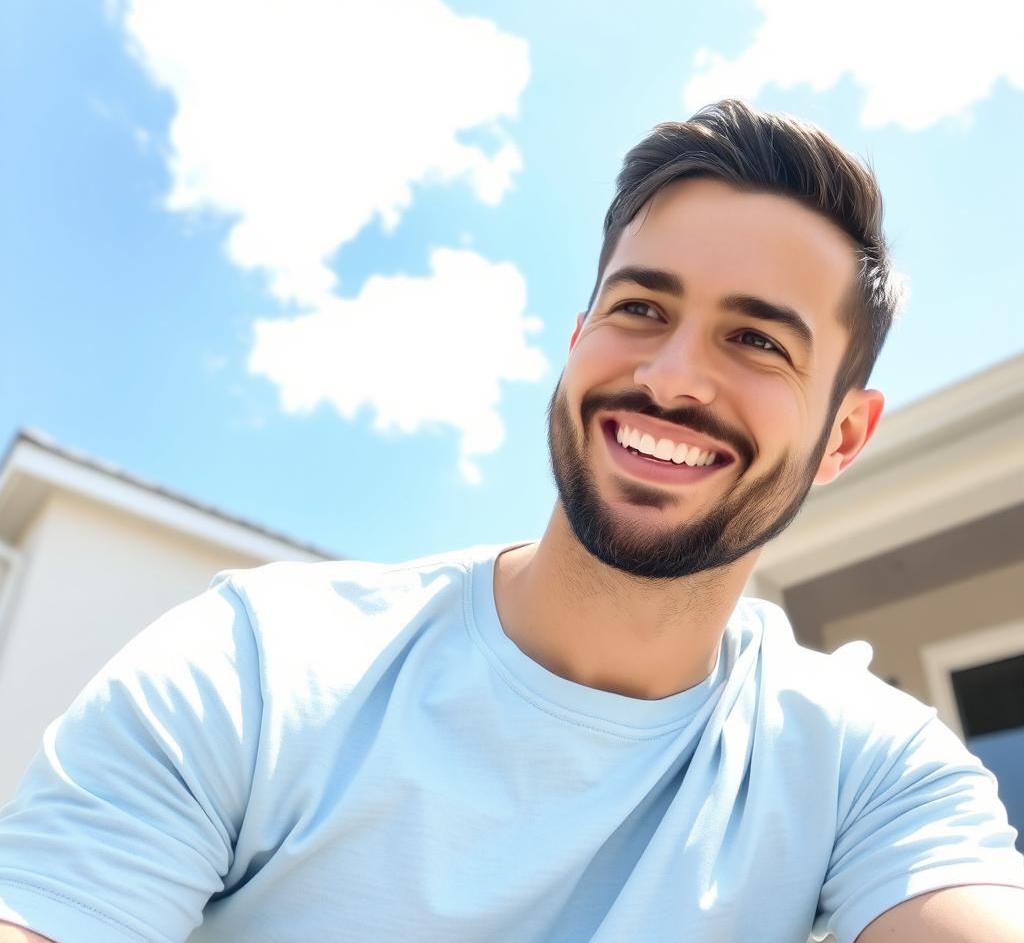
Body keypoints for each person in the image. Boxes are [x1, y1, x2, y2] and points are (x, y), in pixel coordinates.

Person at [1, 100, 1022, 943]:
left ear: (844, 435)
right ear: (579, 338)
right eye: (640, 309)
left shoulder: (865, 767)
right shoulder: (259, 669)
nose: (669, 377)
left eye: (755, 339)